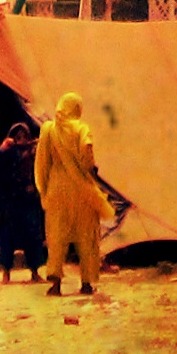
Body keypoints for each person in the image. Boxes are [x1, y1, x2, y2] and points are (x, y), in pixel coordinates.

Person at [34, 89, 107, 297]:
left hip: (57, 189)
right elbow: (87, 151)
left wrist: (44, 189)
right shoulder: (82, 128)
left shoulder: (49, 129)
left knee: (56, 236)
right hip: (81, 189)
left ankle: (55, 283)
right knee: (86, 236)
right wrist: (90, 169)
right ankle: (86, 283)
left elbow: (41, 163)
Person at [0, 119, 44, 283]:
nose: (21, 138)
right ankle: (6, 272)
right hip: (10, 202)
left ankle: (34, 272)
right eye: (17, 135)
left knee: (32, 237)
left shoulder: (34, 152)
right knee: (7, 239)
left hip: (28, 201)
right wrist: (3, 148)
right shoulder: (7, 152)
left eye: (23, 135)